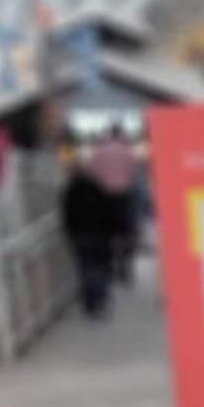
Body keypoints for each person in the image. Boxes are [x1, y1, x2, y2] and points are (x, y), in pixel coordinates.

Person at [61, 153, 114, 318]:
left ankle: (90, 301)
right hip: (98, 234)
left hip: (80, 236)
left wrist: (70, 233)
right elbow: (107, 211)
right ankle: (99, 297)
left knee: (85, 268)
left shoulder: (69, 192)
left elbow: (67, 217)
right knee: (100, 267)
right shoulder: (96, 188)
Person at [87, 122, 138, 282]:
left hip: (104, 198)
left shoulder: (99, 151)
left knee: (106, 233)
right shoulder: (126, 150)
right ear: (121, 133)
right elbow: (133, 171)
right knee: (126, 232)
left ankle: (109, 266)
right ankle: (125, 266)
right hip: (123, 196)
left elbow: (93, 173)